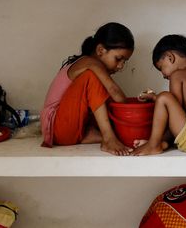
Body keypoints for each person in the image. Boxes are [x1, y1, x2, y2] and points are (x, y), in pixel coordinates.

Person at [40, 22, 134, 155]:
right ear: (100, 50)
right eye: (118, 59)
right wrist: (132, 112)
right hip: (57, 128)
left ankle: (94, 135)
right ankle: (108, 138)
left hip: (73, 128)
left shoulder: (91, 65)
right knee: (92, 78)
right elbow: (115, 92)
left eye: (125, 61)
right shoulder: (90, 63)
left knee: (105, 101)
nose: (121, 66)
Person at [133, 34, 186, 155]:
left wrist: (156, 98)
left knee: (164, 97)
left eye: (161, 68)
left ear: (169, 57)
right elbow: (180, 113)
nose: (163, 75)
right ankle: (163, 143)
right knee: (166, 100)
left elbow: (173, 107)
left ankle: (153, 144)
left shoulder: (177, 75)